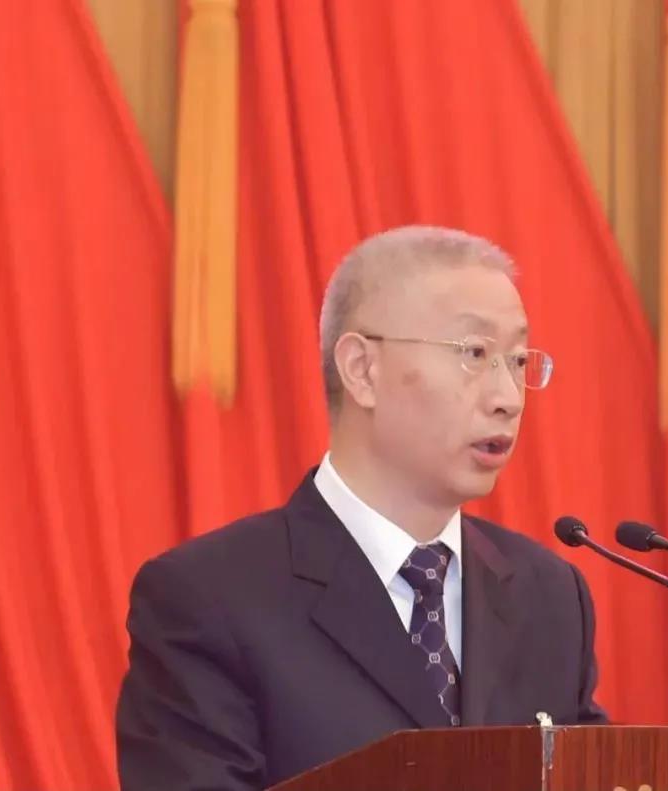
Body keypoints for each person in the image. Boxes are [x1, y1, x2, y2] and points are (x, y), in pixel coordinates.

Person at [115, 226, 607, 790]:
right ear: (362, 370)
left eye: (518, 361)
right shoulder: (210, 599)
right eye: (475, 353)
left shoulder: (549, 597)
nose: (508, 398)